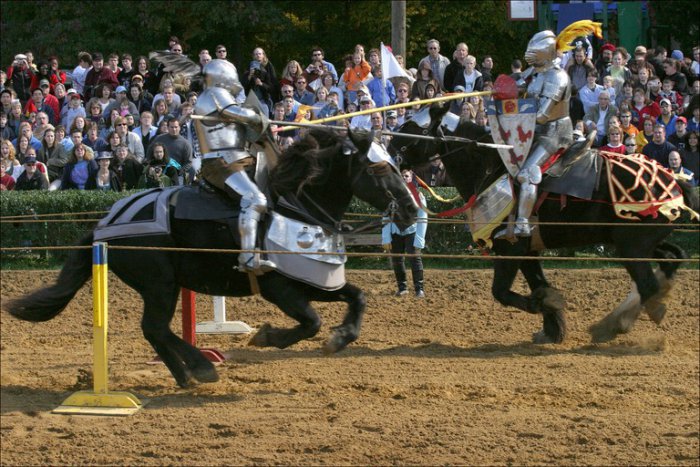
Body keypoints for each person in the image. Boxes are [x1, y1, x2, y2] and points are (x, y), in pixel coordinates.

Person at [193, 59, 276, 273]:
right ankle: (247, 257)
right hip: (220, 162)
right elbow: (241, 115)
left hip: (238, 157)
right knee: (254, 199)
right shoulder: (213, 94)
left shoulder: (221, 95)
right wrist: (259, 117)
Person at [510, 30, 573, 237]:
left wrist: (513, 112)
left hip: (554, 133)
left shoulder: (557, 77)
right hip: (534, 130)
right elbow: (518, 89)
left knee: (527, 173)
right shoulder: (536, 72)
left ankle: (522, 223)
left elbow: (542, 115)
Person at [382, 169, 427, 298]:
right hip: (395, 230)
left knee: (415, 258)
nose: (404, 178)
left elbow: (423, 217)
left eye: (406, 176)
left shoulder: (418, 195)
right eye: (401, 176)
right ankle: (402, 288)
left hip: (412, 230)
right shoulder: (390, 195)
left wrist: (419, 238)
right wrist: (386, 237)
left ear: (411, 177)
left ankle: (419, 289)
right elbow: (385, 215)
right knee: (397, 259)